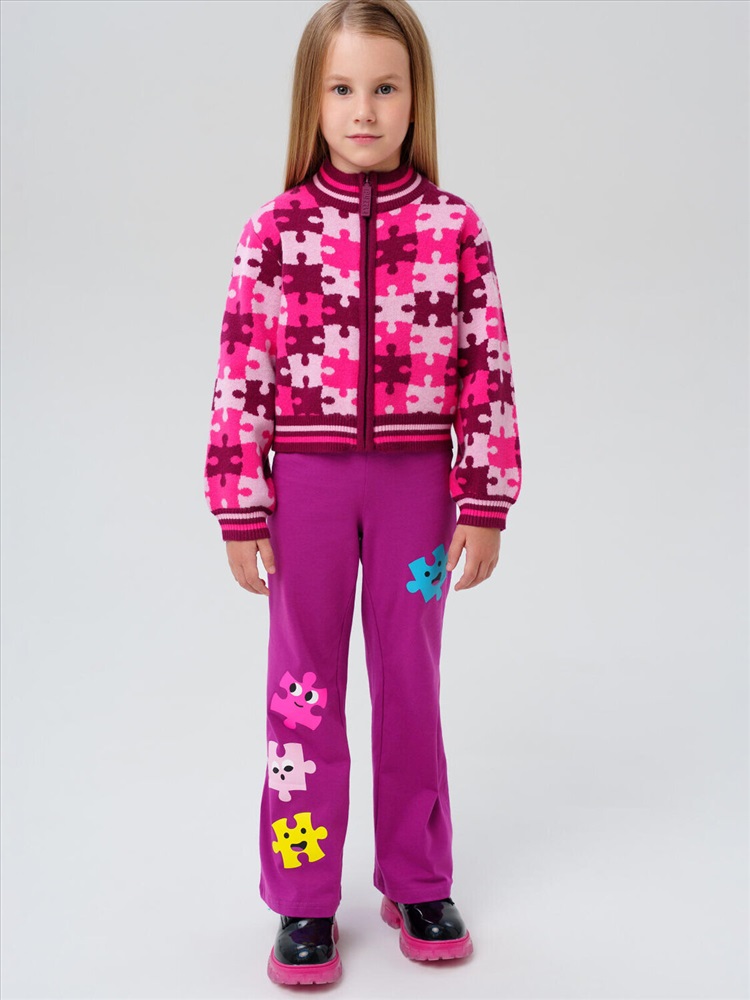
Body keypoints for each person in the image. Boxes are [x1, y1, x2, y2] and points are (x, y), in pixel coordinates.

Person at [203, 0, 522, 986]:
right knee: (302, 693)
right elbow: (241, 370)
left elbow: (485, 367)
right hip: (302, 488)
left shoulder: (454, 228)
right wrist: (238, 501)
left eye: (386, 87)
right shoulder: (275, 231)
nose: (365, 109)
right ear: (313, 100)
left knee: (409, 684)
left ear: (416, 97)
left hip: (417, 489)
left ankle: (418, 878)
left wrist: (484, 498)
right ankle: (302, 896)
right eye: (343, 88)